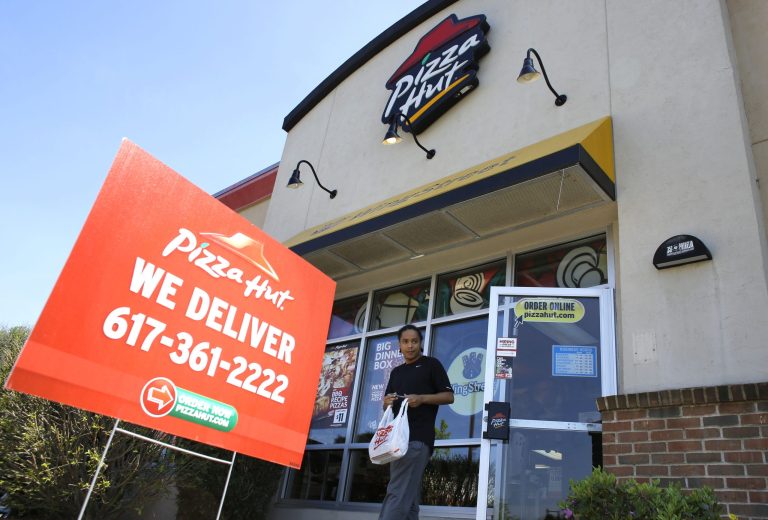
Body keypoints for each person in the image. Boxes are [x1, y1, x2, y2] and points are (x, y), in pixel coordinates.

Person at [379, 324, 454, 520]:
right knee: (409, 497)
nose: (410, 346)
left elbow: (448, 396)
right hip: (396, 439)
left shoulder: (431, 364)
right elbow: (388, 405)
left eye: (414, 341)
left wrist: (421, 399)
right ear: (399, 345)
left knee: (397, 492)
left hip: (417, 438)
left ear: (421, 343)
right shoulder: (396, 372)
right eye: (405, 342)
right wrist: (386, 402)